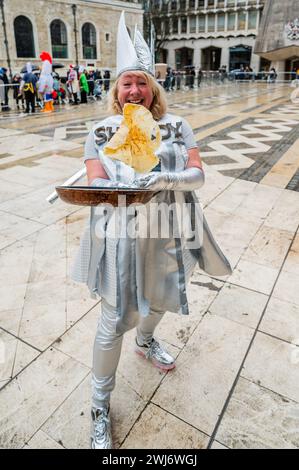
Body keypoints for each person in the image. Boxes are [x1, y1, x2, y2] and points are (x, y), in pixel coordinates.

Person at [71, 12, 231, 450]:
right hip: (118, 236)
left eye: (142, 83)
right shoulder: (100, 131)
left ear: (153, 89)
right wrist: (114, 185)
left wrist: (165, 179)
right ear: (116, 91)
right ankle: (100, 406)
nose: (135, 90)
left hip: (167, 229)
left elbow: (198, 176)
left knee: (161, 296)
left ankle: (146, 340)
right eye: (127, 84)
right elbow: (94, 180)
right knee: (112, 318)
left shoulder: (177, 126)